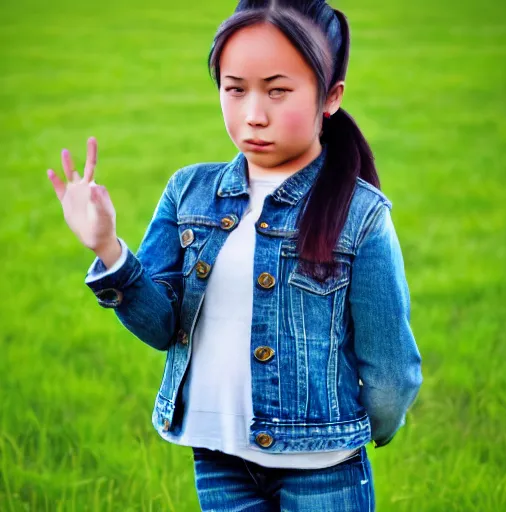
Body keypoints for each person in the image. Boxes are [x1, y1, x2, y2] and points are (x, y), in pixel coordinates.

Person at [47, 0, 422, 510]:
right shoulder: (189, 193)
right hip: (218, 454)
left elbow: (392, 370)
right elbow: (163, 327)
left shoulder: (360, 214)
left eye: (278, 90)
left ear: (330, 97)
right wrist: (108, 248)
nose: (253, 115)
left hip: (322, 465)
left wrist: (351, 429)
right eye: (235, 89)